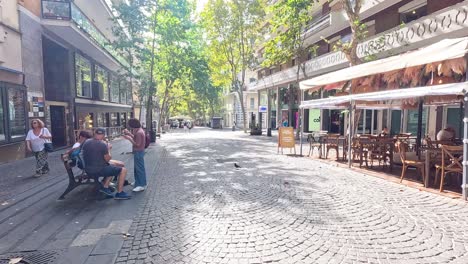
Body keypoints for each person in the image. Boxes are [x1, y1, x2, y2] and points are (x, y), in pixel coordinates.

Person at [82, 128, 131, 200]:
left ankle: (105, 187)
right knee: (123, 170)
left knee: (112, 166)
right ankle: (119, 193)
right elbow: (108, 159)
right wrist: (108, 149)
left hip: (88, 168)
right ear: (103, 135)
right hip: (98, 170)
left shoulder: (87, 142)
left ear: (94, 133)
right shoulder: (102, 144)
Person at [122, 118, 147, 192]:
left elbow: (137, 144)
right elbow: (136, 139)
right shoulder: (139, 130)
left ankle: (141, 185)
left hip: (138, 152)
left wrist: (129, 138)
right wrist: (129, 134)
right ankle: (138, 182)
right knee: (137, 168)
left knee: (139, 168)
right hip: (139, 152)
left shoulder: (139, 132)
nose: (128, 126)